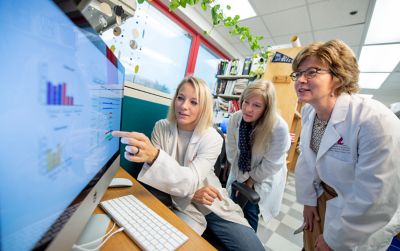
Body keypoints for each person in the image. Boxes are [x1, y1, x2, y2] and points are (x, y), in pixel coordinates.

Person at [112, 76, 264, 251]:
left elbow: (188, 179)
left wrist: (154, 156)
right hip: (178, 203)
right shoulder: (162, 127)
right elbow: (153, 179)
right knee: (170, 245)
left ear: (203, 108)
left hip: (211, 201)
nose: (184, 106)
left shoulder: (212, 137)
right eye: (180, 98)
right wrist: (191, 194)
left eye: (194, 102)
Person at [292, 39, 400, 251]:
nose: (300, 80)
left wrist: (336, 239)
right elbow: (307, 158)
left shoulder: (375, 120)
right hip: (325, 198)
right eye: (297, 74)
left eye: (312, 72)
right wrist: (308, 200)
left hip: (360, 219)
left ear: (339, 77)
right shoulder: (309, 112)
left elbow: (376, 197)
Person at [225, 79, 291, 231]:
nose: (248, 109)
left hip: (263, 176)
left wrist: (248, 182)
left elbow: (271, 164)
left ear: (266, 109)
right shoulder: (236, 118)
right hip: (239, 170)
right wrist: (241, 179)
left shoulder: (278, 128)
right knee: (233, 207)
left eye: (256, 105)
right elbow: (232, 151)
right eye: (246, 102)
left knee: (250, 211)